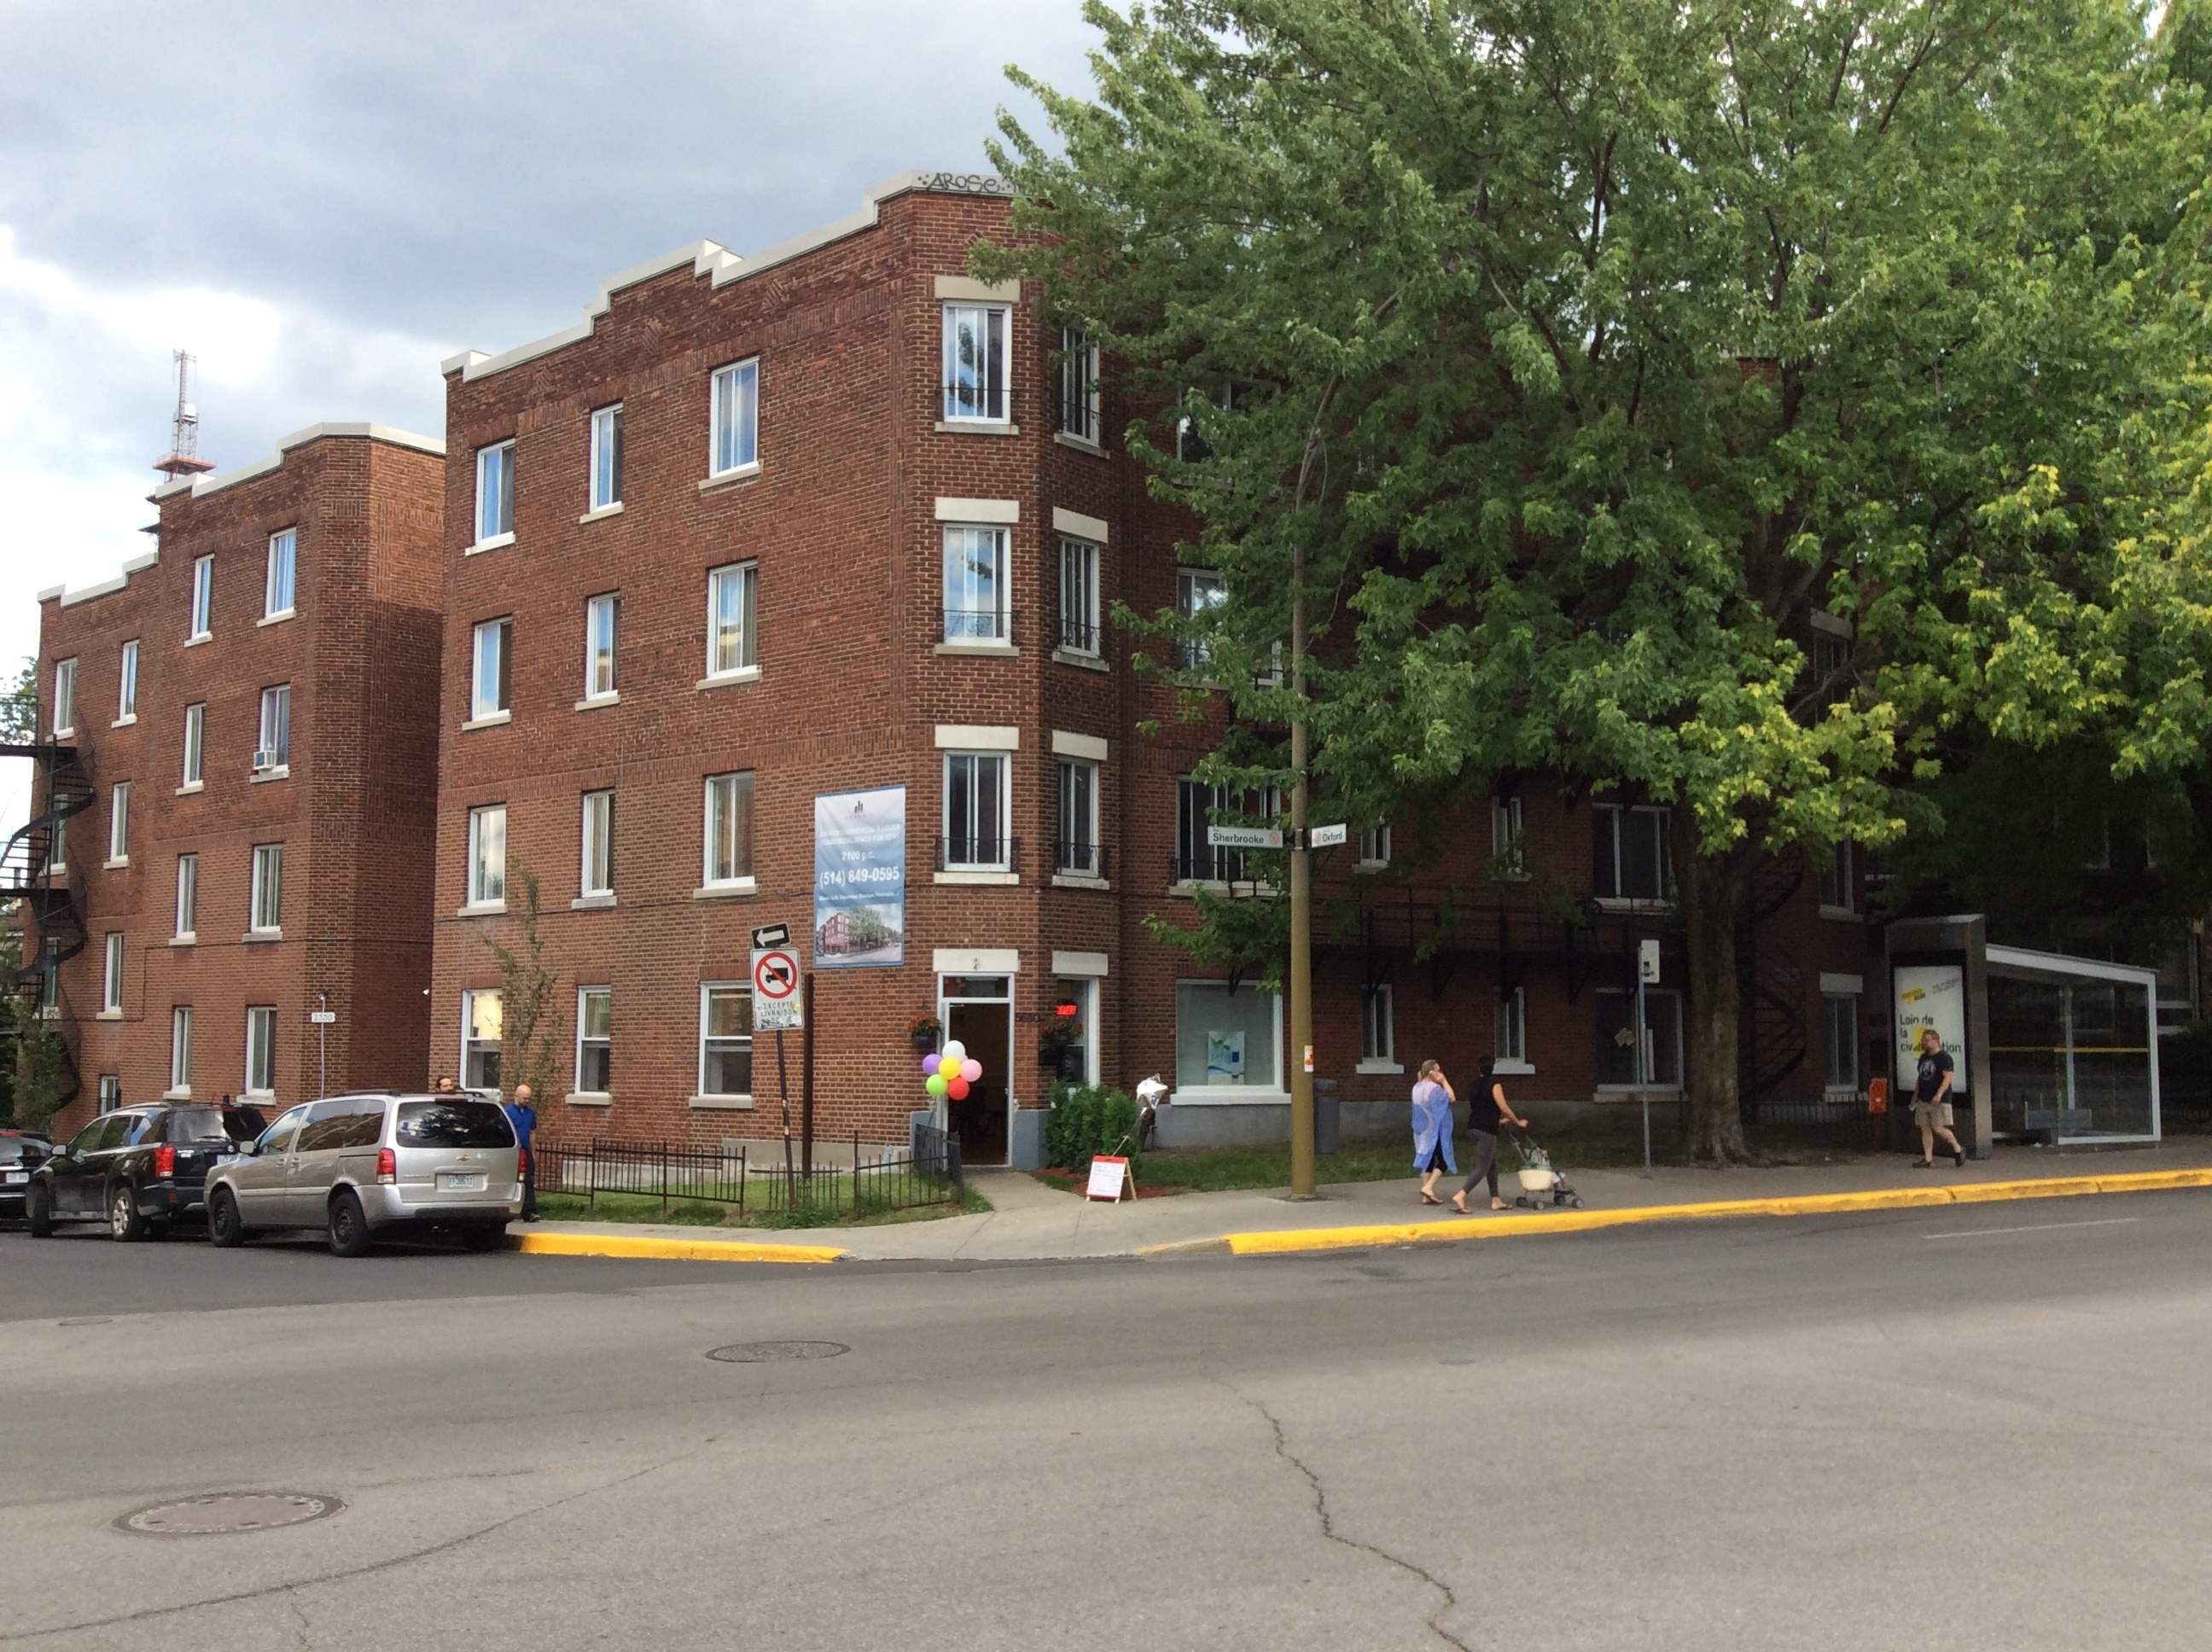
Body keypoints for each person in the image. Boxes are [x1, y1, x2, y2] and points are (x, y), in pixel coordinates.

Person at [1453, 1058, 1528, 1213]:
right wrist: (1517, 1122)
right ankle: (1461, 1195)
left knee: (1491, 1164)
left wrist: (1498, 1121)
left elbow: (1481, 1109)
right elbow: (1503, 1107)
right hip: (1487, 1131)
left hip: (1474, 1127)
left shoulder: (1474, 1085)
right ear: (1493, 1068)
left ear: (1479, 1069)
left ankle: (1496, 1200)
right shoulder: (1494, 1084)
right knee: (1482, 1167)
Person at [1912, 1027, 1966, 1168]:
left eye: (1927, 1040)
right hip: (1924, 1098)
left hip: (1939, 1099)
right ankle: (1928, 1158)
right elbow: (1920, 1077)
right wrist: (1915, 1095)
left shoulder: (1944, 1058)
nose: (1924, 1043)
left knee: (1938, 1128)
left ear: (1936, 1041)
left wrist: (1939, 1093)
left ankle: (1958, 1148)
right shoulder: (1923, 1058)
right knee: (1925, 1128)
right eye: (1923, 1040)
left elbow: (1948, 1077)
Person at [1411, 1060, 1458, 1206]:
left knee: (1428, 1159)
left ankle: (1426, 1194)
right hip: (1435, 1130)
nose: (1440, 1073)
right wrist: (1444, 1081)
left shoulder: (1416, 1087)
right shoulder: (1434, 1089)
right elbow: (1451, 1098)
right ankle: (1428, 1187)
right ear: (1432, 1072)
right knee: (1444, 1160)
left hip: (1422, 1131)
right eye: (1438, 1070)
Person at [504, 1082, 538, 1221]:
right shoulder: (508, 1112)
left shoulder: (530, 1113)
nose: (527, 1101)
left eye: (529, 1098)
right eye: (524, 1098)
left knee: (528, 1180)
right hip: (513, 1151)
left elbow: (532, 1132)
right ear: (516, 1096)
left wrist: (533, 1152)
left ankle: (529, 1211)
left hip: (525, 1150)